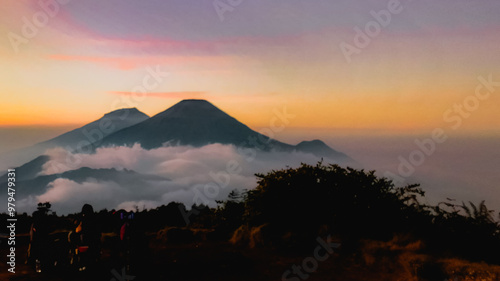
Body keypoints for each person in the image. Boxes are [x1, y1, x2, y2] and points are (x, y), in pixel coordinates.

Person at [69, 204, 101, 271]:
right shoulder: (95, 221)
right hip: (92, 246)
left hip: (87, 246)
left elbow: (77, 232)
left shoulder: (85, 222)